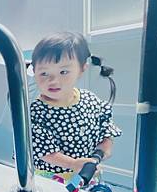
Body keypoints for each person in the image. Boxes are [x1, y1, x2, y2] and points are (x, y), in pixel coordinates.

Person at [29, 32, 121, 183]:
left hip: (87, 171)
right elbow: (43, 151)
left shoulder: (90, 100)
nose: (53, 80)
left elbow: (106, 130)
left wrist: (103, 150)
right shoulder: (36, 112)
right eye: (44, 73)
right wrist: (73, 164)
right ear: (34, 72)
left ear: (82, 68)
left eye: (63, 72)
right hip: (51, 178)